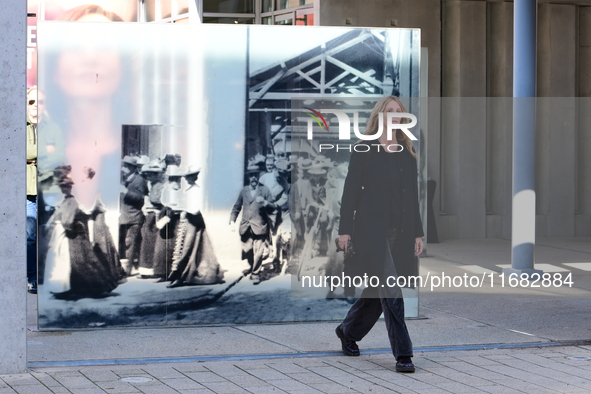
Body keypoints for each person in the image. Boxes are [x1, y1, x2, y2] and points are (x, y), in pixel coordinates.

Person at [335, 96, 424, 373]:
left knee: (377, 291)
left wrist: (418, 234)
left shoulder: (407, 154)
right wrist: (345, 231)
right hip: (372, 233)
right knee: (393, 291)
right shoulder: (365, 150)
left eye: (399, 111)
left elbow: (412, 200)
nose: (395, 115)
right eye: (390, 110)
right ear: (380, 116)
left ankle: (347, 331)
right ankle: (403, 354)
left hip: (402, 232)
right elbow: (349, 193)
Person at [167, 166, 224, 288]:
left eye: (190, 176)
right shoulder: (186, 190)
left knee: (188, 247)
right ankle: (183, 275)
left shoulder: (197, 190)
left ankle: (182, 276)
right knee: (186, 247)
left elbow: (195, 209)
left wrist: (181, 208)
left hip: (194, 221)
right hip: (187, 221)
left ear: (195, 177)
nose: (188, 179)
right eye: (186, 176)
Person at [230, 168, 277, 285]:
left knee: (258, 251)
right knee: (247, 249)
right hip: (246, 226)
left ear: (258, 176)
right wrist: (232, 221)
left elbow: (273, 207)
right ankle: (253, 267)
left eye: (256, 175)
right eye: (251, 176)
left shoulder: (264, 190)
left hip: (260, 226)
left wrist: (265, 203)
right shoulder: (244, 191)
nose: (254, 178)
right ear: (248, 177)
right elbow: (236, 207)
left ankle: (255, 273)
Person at [119, 155, 148, 275]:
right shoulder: (125, 179)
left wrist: (126, 192)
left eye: (125, 167)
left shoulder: (139, 180)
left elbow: (141, 198)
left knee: (131, 243)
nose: (122, 169)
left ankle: (128, 269)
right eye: (123, 166)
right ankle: (126, 267)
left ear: (132, 168)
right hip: (124, 216)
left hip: (134, 217)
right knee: (125, 243)